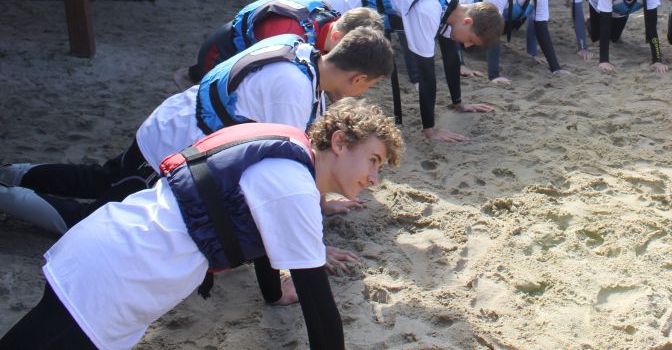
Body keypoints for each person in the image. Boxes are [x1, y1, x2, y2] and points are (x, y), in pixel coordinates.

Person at [0, 99, 404, 350]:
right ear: (339, 142)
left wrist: (273, 293)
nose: (374, 179)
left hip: (112, 247)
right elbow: (320, 309)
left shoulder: (285, 153)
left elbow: (264, 239)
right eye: (373, 160)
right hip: (118, 278)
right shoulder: (295, 188)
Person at [0, 28, 394, 236]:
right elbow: (282, 173)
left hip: (172, 121)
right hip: (169, 147)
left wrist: (321, 203)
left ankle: (13, 172)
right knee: (88, 220)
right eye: (370, 85)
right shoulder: (293, 90)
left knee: (100, 178)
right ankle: (6, 194)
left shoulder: (302, 52)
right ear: (359, 78)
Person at [321, 0, 503, 143]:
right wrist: (430, 130)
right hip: (341, 4)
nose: (467, 45)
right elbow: (425, 72)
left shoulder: (450, 3)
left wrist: (458, 103)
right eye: (471, 40)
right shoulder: (427, 9)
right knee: (337, 72)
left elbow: (451, 56)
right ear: (467, 21)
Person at [174, 0, 382, 88]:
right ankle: (191, 78)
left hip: (243, 43)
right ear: (337, 36)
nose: (352, 59)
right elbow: (269, 82)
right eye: (353, 51)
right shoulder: (292, 37)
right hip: (219, 56)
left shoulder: (332, 21)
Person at [455, 0, 565, 85]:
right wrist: (494, 76)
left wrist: (556, 69)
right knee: (480, 33)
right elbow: (492, 29)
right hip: (456, 17)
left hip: (480, 22)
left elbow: (541, 28)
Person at [586, 0, 668, 75]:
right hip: (599, 1)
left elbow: (651, 25)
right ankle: (589, 19)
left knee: (614, 38)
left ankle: (617, 13)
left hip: (623, 7)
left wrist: (657, 60)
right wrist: (604, 61)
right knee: (597, 36)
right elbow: (605, 24)